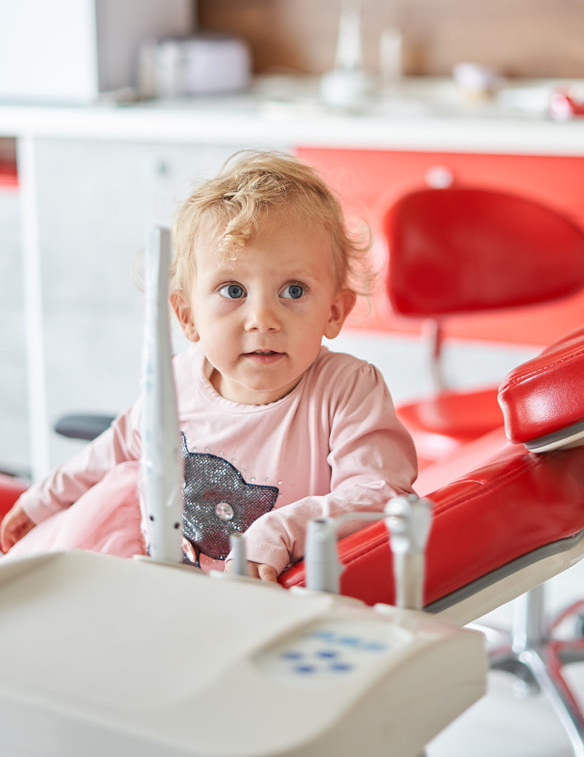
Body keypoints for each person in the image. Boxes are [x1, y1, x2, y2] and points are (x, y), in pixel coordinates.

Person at [0, 151, 417, 581]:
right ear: (186, 316)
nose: (263, 319)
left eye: (293, 291)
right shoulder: (177, 380)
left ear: (334, 311)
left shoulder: (347, 389)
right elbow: (116, 448)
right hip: (163, 590)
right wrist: (40, 502)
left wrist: (280, 531)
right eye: (233, 290)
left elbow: (379, 493)